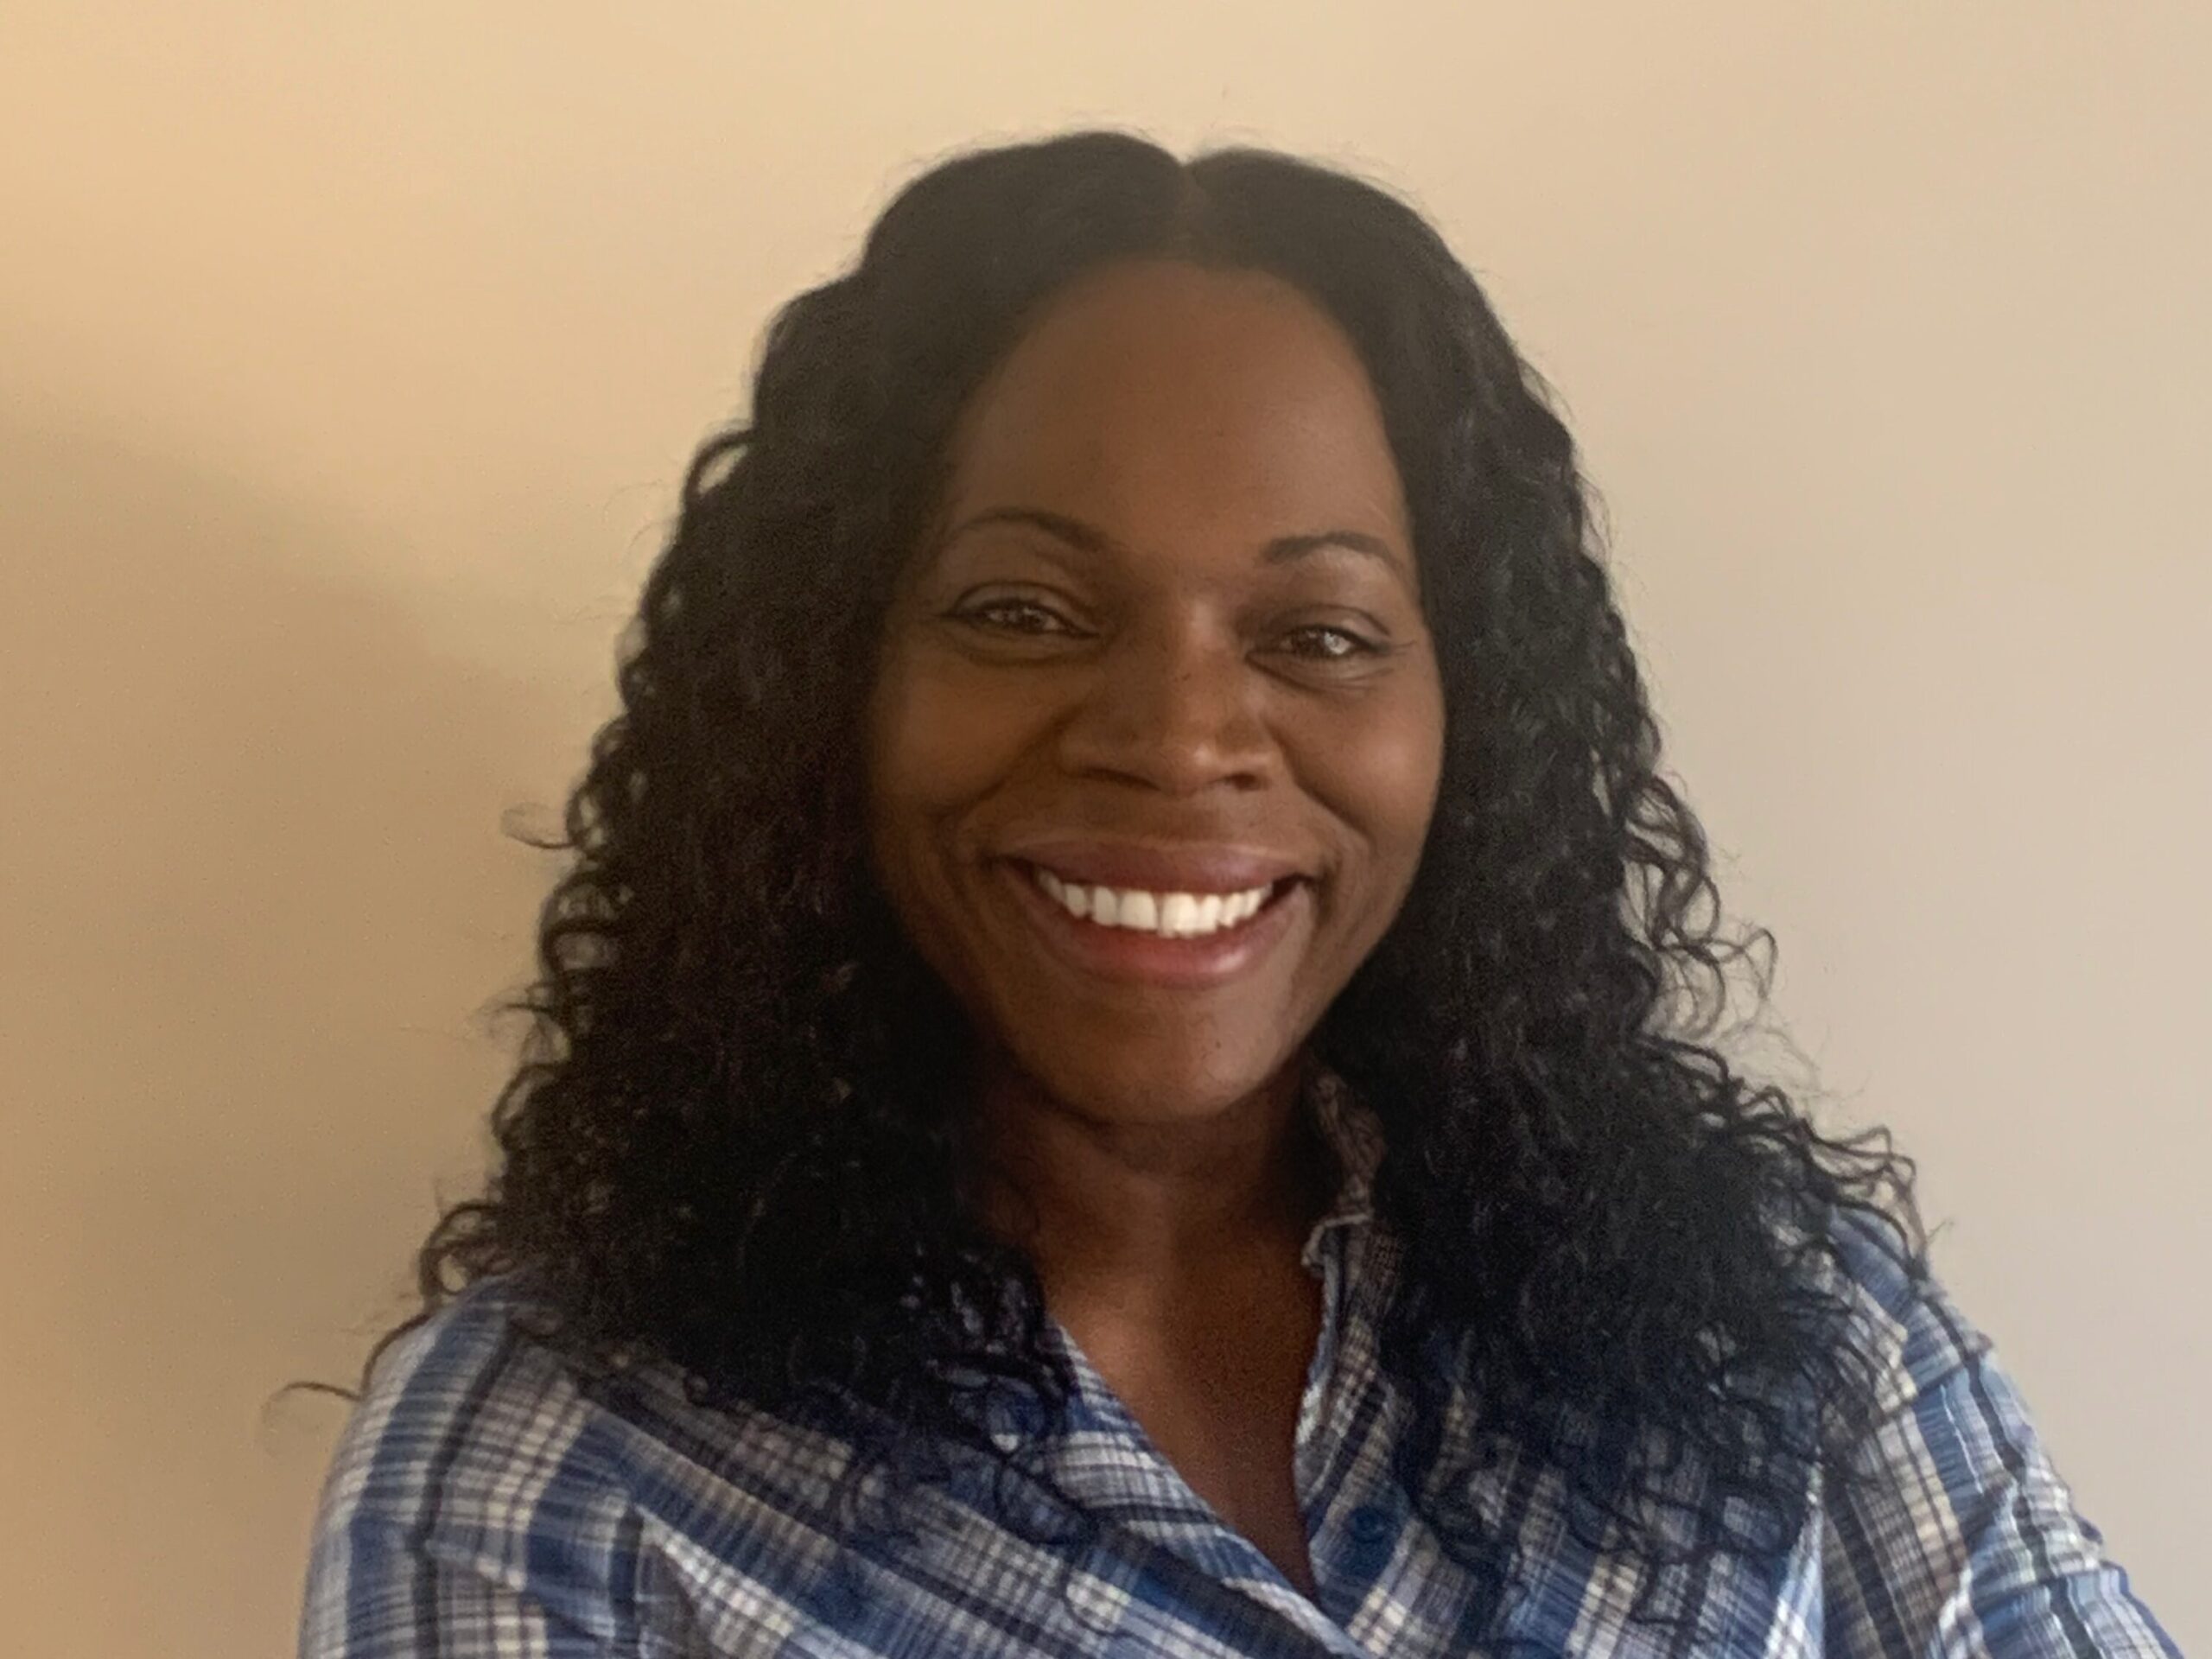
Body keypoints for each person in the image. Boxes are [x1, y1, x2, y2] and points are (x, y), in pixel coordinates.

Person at [297, 130, 2179, 1658]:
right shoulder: (555, 1471)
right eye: (1023, 611)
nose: (1180, 738)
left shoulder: (1770, 1318)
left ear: (1470, 725)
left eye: (1319, 633)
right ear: (824, 689)